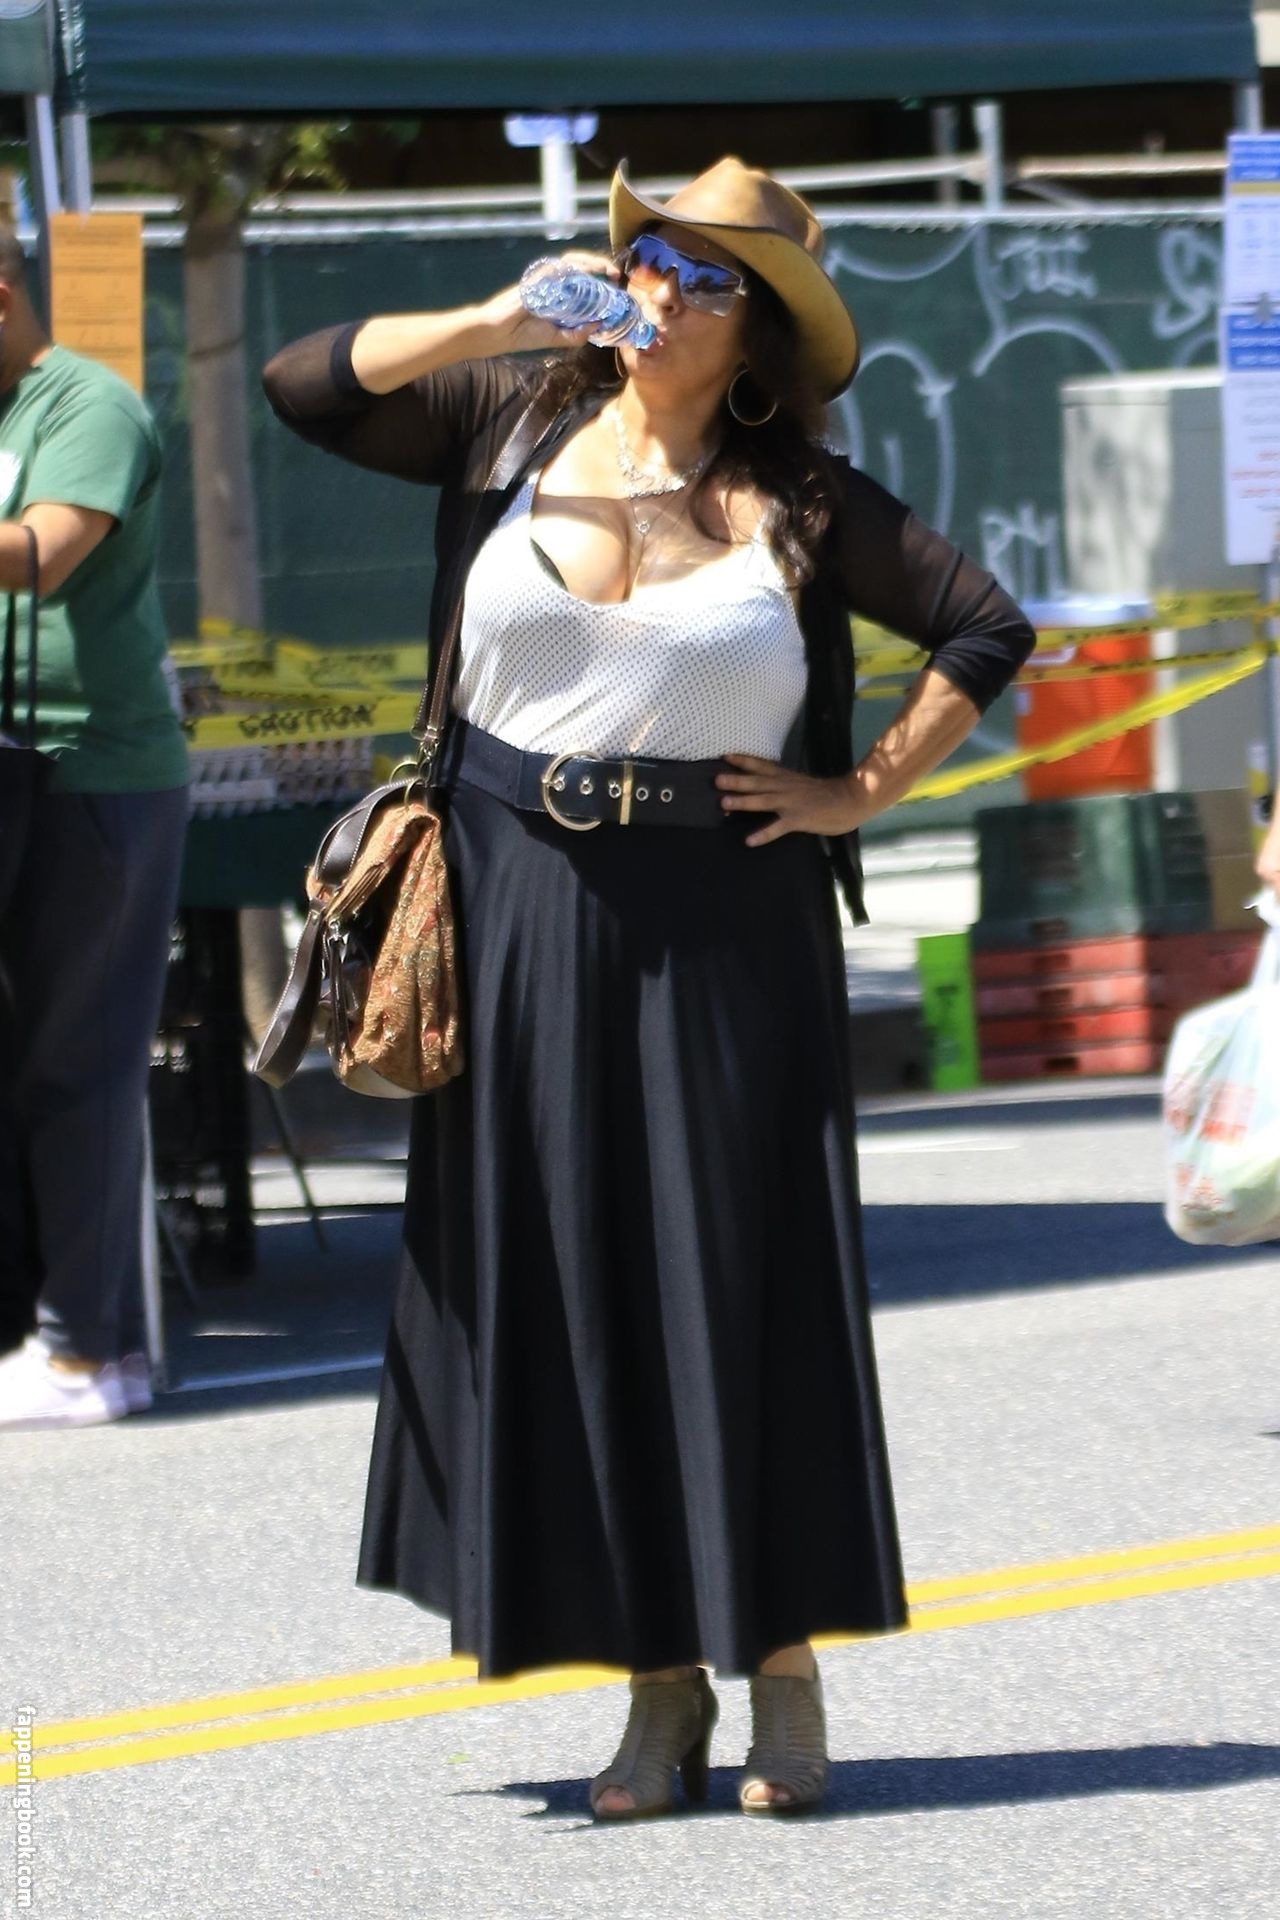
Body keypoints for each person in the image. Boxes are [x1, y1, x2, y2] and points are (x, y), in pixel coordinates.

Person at [262, 156, 1035, 1820]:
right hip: (515, 909)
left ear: (758, 333)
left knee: (735, 1283)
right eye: (649, 257)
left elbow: (984, 626)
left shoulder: (800, 497)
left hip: (727, 920)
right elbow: (303, 386)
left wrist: (860, 792)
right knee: (571, 1287)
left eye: (702, 273)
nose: (659, 286)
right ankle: (657, 1683)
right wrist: (493, 313)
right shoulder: (507, 419)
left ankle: (783, 1666)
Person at [0, 227, 189, 1429]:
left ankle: (88, 1354)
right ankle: (55, 1331)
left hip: (96, 773)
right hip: (15, 768)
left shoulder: (89, 406)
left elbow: (43, 555)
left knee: (82, 1061)